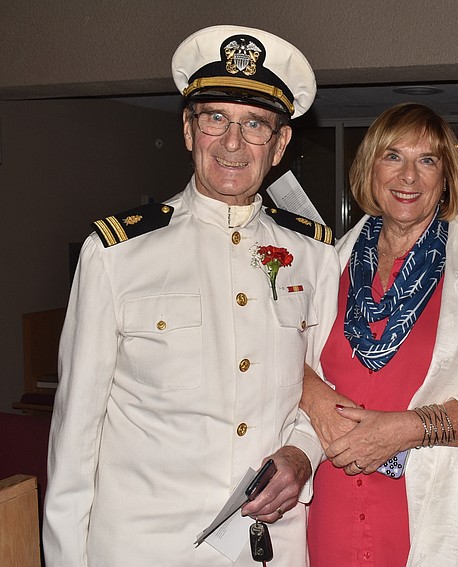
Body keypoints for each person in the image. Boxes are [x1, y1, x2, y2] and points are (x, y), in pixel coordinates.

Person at [43, 25, 338, 566]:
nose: (232, 142)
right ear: (187, 129)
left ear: (281, 142)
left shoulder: (315, 256)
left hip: (266, 545)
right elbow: (74, 440)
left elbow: (321, 384)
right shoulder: (116, 254)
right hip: (144, 548)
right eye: (215, 118)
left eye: (255, 124)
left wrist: (302, 451)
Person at [299, 103, 458, 566]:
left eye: (427, 160)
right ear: (370, 169)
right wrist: (313, 394)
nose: (409, 176)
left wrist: (402, 430)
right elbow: (284, 349)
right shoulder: (329, 262)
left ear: (446, 178)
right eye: (393, 157)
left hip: (430, 501)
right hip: (333, 494)